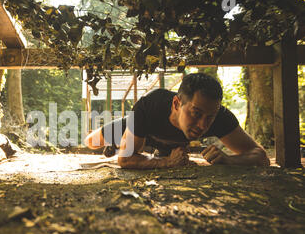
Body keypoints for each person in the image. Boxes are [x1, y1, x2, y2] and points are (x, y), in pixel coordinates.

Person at [84, 72, 270, 169]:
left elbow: (260, 156)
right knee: (91, 143)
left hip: (170, 146)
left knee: (163, 153)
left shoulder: (218, 116)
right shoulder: (148, 106)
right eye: (196, 113)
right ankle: (121, 142)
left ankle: (152, 151)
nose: (203, 125)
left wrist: (230, 161)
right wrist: (166, 163)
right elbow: (125, 161)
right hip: (140, 128)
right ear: (176, 103)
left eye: (210, 117)